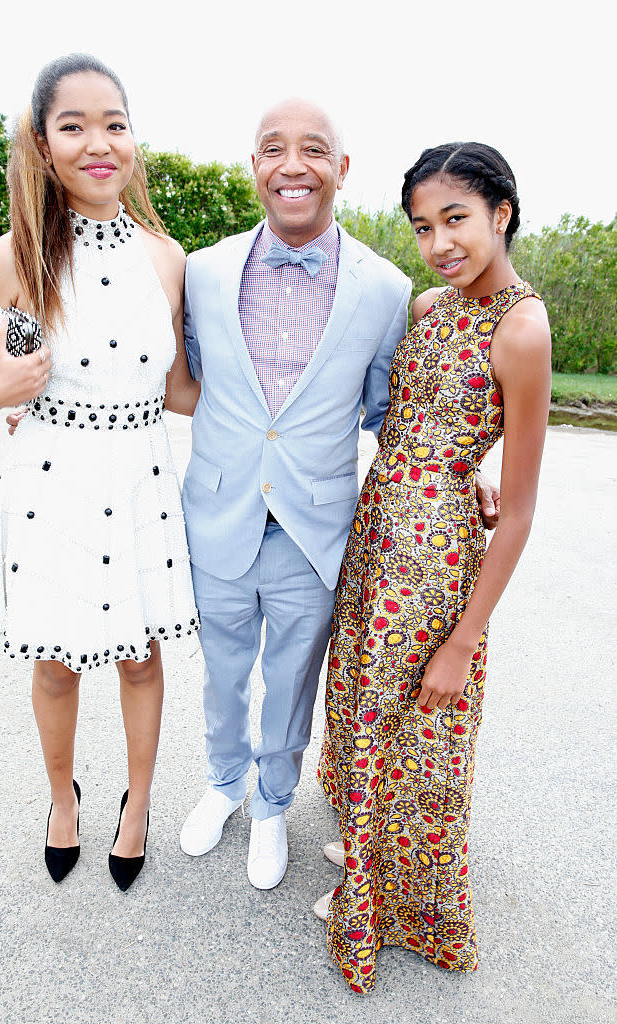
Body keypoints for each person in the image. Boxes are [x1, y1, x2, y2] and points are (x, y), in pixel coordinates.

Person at [178, 101, 500, 891]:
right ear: (253, 166)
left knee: (291, 676)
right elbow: (178, 378)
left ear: (341, 170)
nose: (294, 165)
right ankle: (224, 784)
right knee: (222, 672)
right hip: (217, 511)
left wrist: (464, 466)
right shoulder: (203, 268)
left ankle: (271, 807)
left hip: (314, 526)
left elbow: (393, 409)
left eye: (314, 150)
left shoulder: (387, 289)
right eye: (273, 150)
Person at [0, 53, 199, 890]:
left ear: (134, 139)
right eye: (75, 125)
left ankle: (138, 806)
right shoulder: (13, 256)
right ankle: (63, 798)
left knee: (139, 656)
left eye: (115, 124)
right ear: (42, 142)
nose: (100, 143)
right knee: (56, 662)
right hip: (49, 479)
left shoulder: (169, 260)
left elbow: (185, 390)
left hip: (140, 478)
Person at [314, 142, 552, 993]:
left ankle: (404, 905)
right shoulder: (427, 305)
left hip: (435, 559)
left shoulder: (521, 328)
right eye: (424, 226)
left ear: (501, 214)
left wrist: (465, 639)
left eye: (456, 219)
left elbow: (520, 511)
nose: (440, 241)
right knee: (366, 704)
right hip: (379, 526)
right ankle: (366, 858)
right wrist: (463, 462)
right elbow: (420, 421)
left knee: (423, 727)